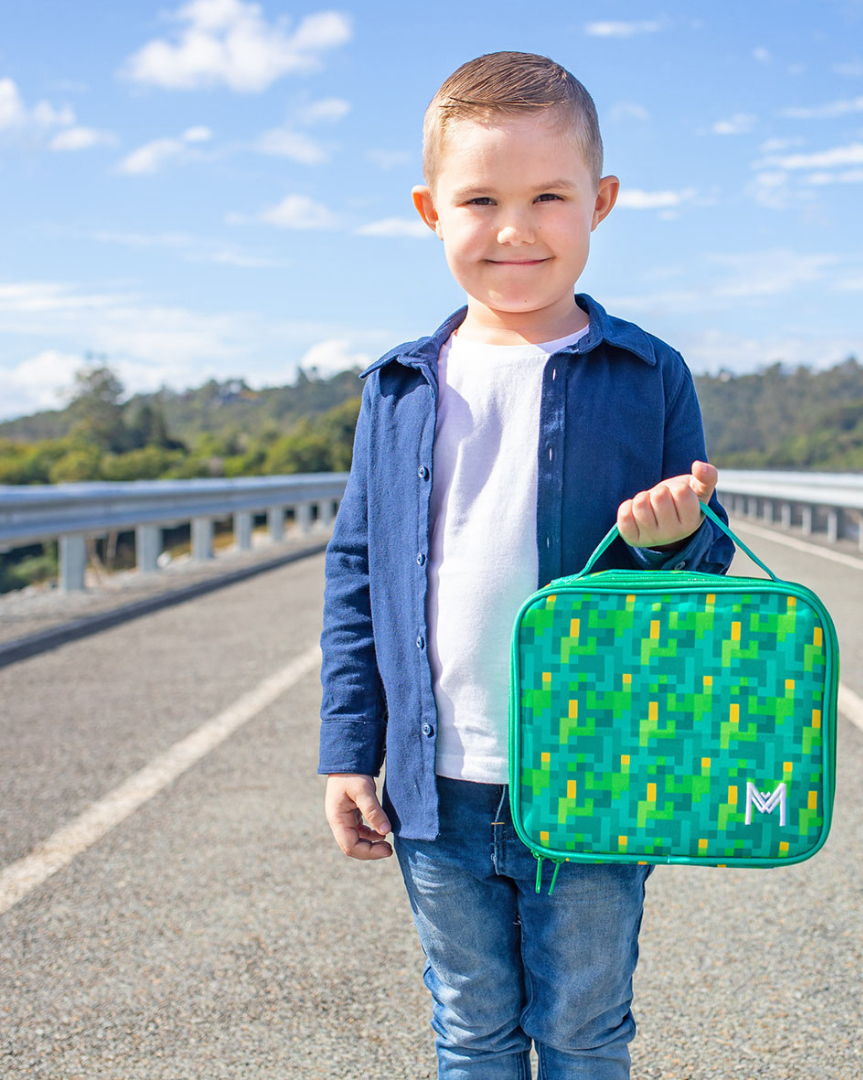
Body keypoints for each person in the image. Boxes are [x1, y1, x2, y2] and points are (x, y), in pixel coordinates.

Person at [319, 50, 736, 1080]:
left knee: (586, 1031)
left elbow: (702, 569)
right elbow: (357, 573)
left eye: (549, 196)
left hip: (596, 777)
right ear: (431, 211)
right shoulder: (398, 388)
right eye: (481, 200)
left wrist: (670, 539)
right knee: (471, 1032)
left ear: (601, 202)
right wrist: (347, 751)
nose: (516, 229)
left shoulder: (647, 374)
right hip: (436, 786)